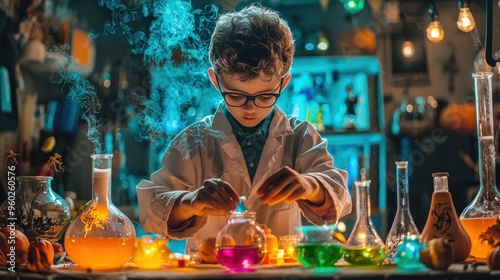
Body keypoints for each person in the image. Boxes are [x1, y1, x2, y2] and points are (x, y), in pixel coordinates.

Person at [136, 4, 352, 252]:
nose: (251, 109)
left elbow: (340, 195)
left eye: (264, 96)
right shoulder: (193, 141)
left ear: (284, 83)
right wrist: (191, 202)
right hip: (213, 272)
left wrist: (310, 186)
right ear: (215, 79)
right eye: (237, 96)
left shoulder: (300, 137)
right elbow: (150, 208)